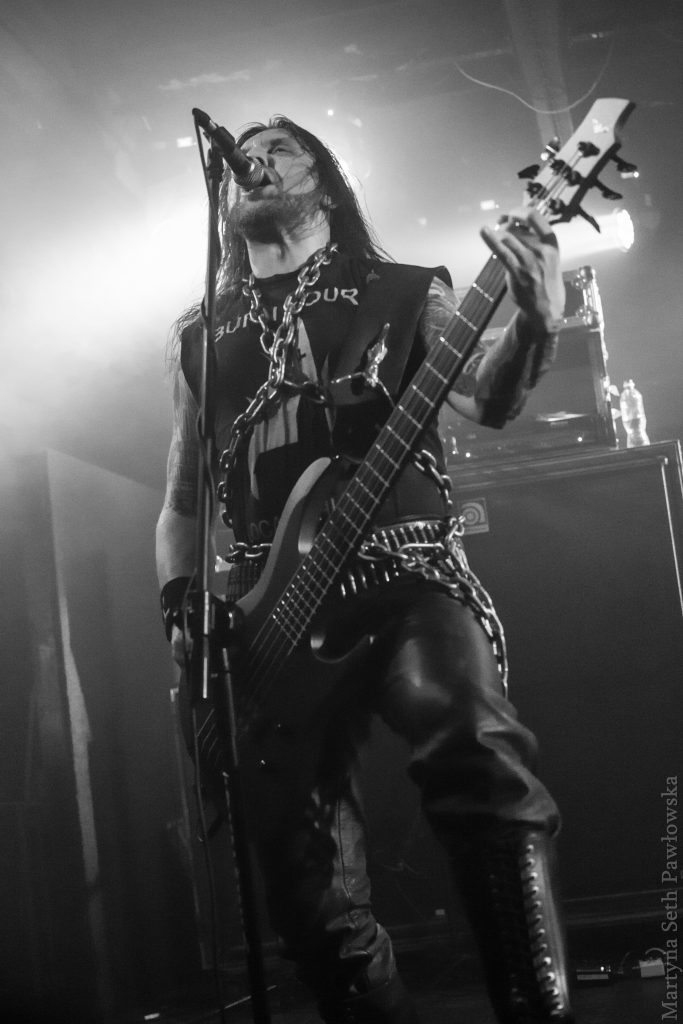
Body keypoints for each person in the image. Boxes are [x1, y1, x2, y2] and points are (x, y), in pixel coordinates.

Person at [156, 115, 574, 1024]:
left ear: (327, 179)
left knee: (471, 742)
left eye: (279, 148)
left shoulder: (403, 290)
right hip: (268, 614)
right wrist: (181, 608)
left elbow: (484, 397)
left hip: (404, 573)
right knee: (306, 887)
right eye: (242, 155)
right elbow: (183, 500)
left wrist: (535, 323)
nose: (251, 161)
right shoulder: (199, 334)